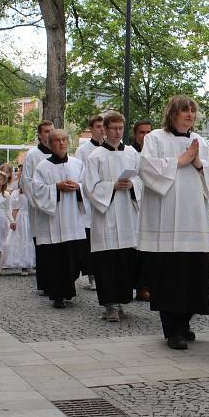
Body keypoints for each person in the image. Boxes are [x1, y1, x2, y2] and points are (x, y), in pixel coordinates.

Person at [138, 95, 209, 349]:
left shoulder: (201, 142)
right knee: (170, 275)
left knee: (192, 275)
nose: (190, 116)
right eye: (185, 111)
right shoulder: (155, 139)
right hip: (167, 222)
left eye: (193, 112)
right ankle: (172, 330)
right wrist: (179, 162)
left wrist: (198, 163)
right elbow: (146, 168)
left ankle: (184, 323)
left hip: (193, 219)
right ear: (172, 114)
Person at [83, 111, 143, 322]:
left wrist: (132, 185)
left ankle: (121, 301)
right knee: (107, 264)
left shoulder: (132, 154)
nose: (118, 133)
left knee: (125, 262)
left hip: (127, 215)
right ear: (105, 130)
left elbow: (142, 181)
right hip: (106, 216)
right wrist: (113, 186)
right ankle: (110, 305)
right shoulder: (96, 156)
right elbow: (90, 187)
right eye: (113, 128)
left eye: (121, 128)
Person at [31, 129, 88, 308]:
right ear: (50, 143)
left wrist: (78, 187)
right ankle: (57, 296)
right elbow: (37, 191)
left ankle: (68, 290)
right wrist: (56, 188)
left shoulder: (78, 164)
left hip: (73, 220)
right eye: (57, 140)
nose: (62, 143)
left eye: (64, 140)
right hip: (53, 223)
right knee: (56, 261)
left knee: (73, 259)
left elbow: (89, 186)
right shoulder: (42, 167)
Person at [20, 120, 53, 293]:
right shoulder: (33, 155)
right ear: (40, 135)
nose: (49, 134)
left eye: (51, 131)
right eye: (46, 131)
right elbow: (27, 181)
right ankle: (44, 282)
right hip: (39, 208)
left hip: (56, 206)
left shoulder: (59, 153)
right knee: (41, 244)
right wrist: (38, 202)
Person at [75, 115, 106, 291]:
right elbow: (79, 175)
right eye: (98, 126)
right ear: (92, 129)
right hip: (89, 199)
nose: (102, 129)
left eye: (103, 126)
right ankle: (91, 274)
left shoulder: (111, 148)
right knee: (89, 240)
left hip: (107, 197)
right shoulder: (83, 150)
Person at [132, 118, 154, 301]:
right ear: (135, 135)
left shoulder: (155, 154)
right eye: (142, 132)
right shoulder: (130, 153)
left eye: (149, 132)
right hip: (133, 206)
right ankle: (140, 286)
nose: (146, 136)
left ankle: (148, 285)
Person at [1, 187, 35, 276]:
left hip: (31, 218)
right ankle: (24, 265)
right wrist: (13, 221)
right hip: (21, 219)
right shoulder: (17, 193)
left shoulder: (33, 191)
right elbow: (15, 209)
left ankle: (30, 264)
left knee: (31, 240)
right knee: (22, 240)